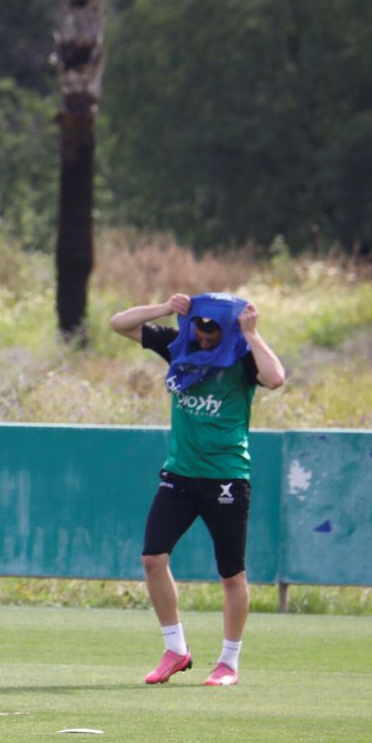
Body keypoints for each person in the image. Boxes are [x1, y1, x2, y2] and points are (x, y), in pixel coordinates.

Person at [109, 292, 285, 687]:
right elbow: (119, 323)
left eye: (212, 332)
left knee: (231, 576)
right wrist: (165, 309)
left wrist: (252, 333)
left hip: (227, 477)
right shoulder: (180, 348)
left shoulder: (242, 356)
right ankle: (176, 649)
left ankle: (229, 663)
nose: (205, 339)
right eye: (200, 330)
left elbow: (275, 378)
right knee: (153, 558)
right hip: (180, 476)